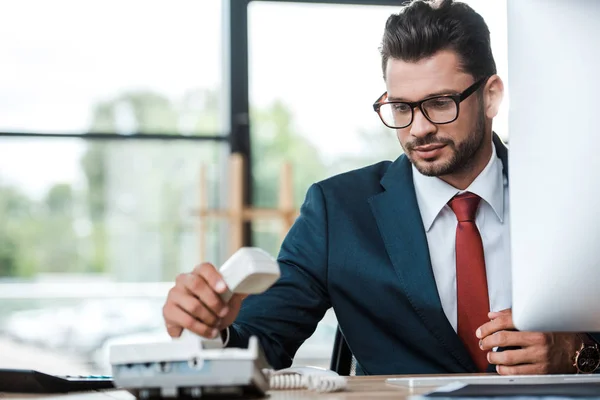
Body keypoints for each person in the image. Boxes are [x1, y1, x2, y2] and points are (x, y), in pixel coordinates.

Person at [162, 0, 600, 375]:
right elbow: (260, 344)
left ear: (491, 97)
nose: (419, 129)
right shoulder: (338, 212)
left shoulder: (573, 198)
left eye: (439, 103)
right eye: (401, 108)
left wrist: (577, 352)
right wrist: (212, 329)